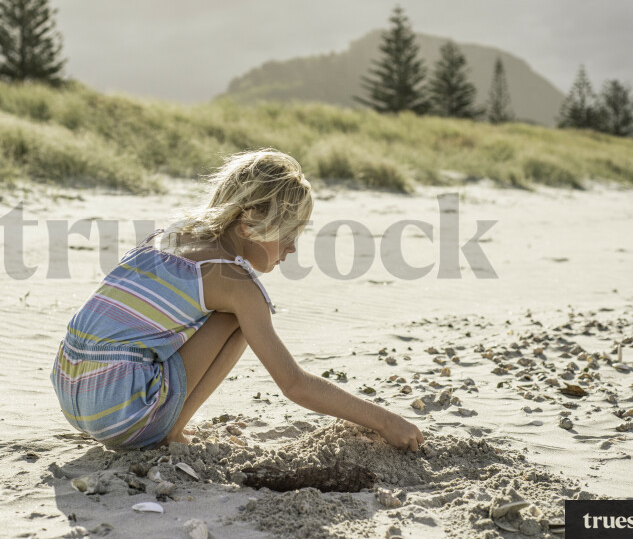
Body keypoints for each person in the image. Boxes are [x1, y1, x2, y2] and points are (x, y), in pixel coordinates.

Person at [51, 149, 424, 452]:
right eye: (289, 234)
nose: (293, 248)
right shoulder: (236, 284)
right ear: (249, 224)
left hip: (68, 384)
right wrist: (386, 421)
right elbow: (294, 384)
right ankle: (171, 431)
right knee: (237, 318)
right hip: (119, 413)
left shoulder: (168, 236)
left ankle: (156, 415)